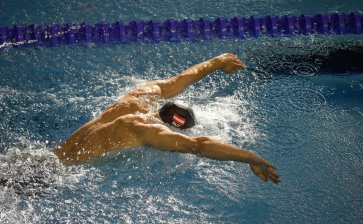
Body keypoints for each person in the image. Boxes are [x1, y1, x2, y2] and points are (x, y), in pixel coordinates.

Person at [55, 53, 280, 184]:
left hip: (50, 158)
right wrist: (250, 157)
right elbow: (198, 146)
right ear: (172, 127)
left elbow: (179, 80)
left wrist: (217, 62)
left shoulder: (138, 99)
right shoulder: (146, 130)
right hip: (52, 179)